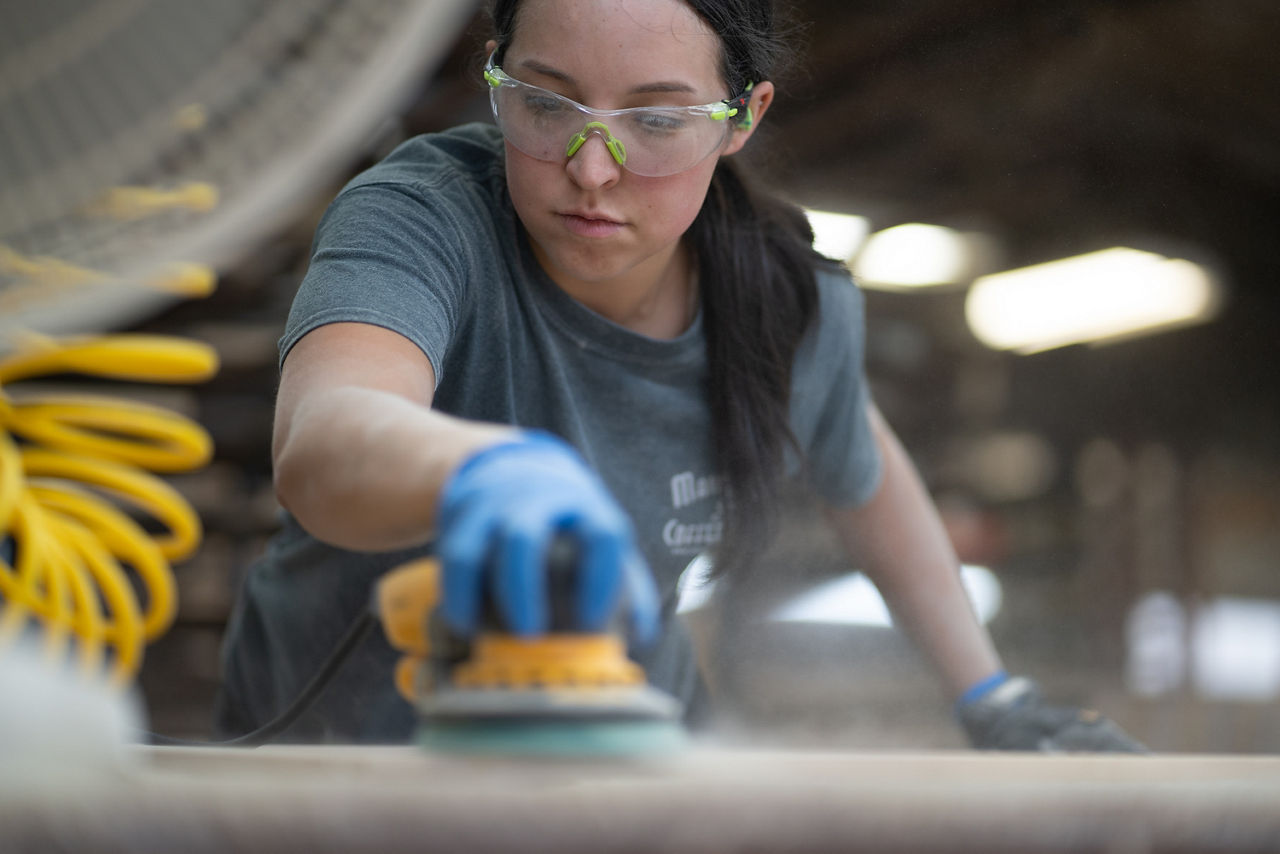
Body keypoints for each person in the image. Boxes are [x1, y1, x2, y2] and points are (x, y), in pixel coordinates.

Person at [215, 0, 1143, 751]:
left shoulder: (780, 302)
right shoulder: (421, 220)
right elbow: (327, 433)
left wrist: (990, 692)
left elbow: (868, 476)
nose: (590, 170)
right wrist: (479, 474)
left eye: (654, 122)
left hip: (611, 750)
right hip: (340, 759)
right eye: (545, 104)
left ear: (743, 118)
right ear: (495, 73)